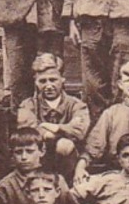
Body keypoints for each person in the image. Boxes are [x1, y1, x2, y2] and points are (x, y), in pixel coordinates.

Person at [16, 53, 90, 181]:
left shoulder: (77, 105)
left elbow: (79, 131)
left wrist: (55, 127)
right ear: (35, 82)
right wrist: (56, 133)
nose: (48, 86)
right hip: (39, 158)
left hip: (69, 160)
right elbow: (28, 130)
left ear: (62, 79)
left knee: (65, 146)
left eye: (53, 79)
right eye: (42, 81)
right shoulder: (28, 105)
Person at [0, 127, 76, 204]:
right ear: (12, 154)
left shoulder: (57, 180)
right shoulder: (4, 187)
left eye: (29, 151)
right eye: (18, 152)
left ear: (42, 151)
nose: (24, 157)